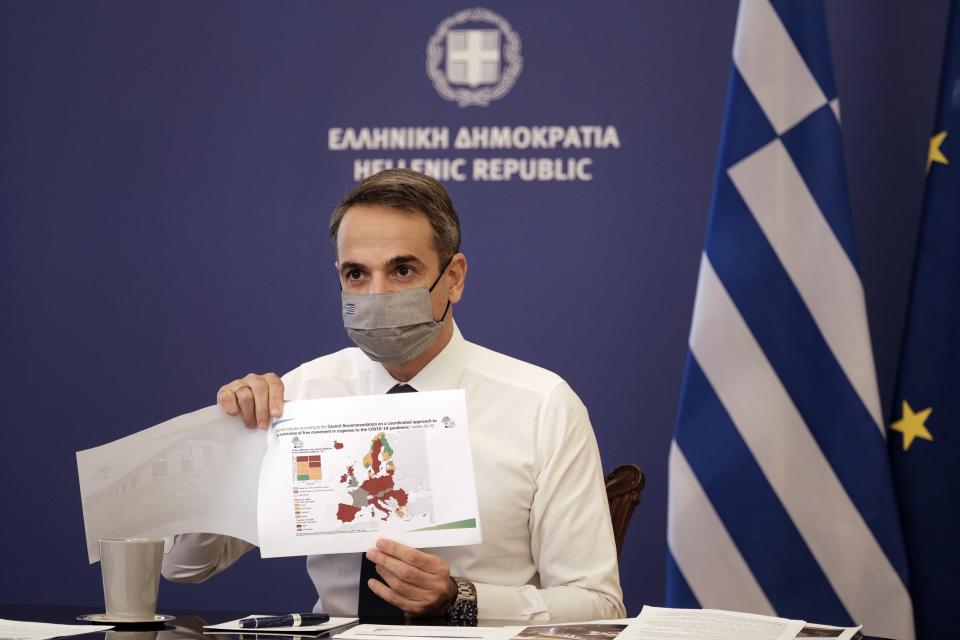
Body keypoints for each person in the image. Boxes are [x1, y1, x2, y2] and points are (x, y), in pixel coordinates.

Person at [161, 169, 625, 623]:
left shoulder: (541, 405)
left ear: (454, 278)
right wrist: (228, 441)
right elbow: (184, 566)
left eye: (402, 270)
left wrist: (461, 598)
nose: (377, 294)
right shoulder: (300, 395)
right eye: (356, 274)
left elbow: (598, 605)